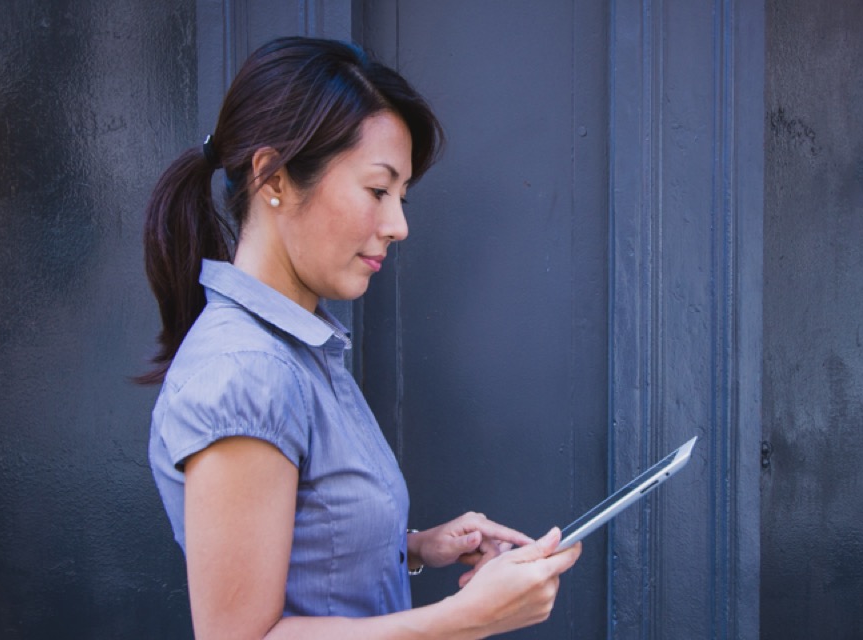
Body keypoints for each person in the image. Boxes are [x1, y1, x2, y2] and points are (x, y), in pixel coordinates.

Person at [138, 36, 581, 639]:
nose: (398, 226)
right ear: (272, 176)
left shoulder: (296, 349)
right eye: (378, 190)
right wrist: (467, 618)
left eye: (401, 197)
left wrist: (417, 547)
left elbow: (302, 549)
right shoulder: (246, 371)